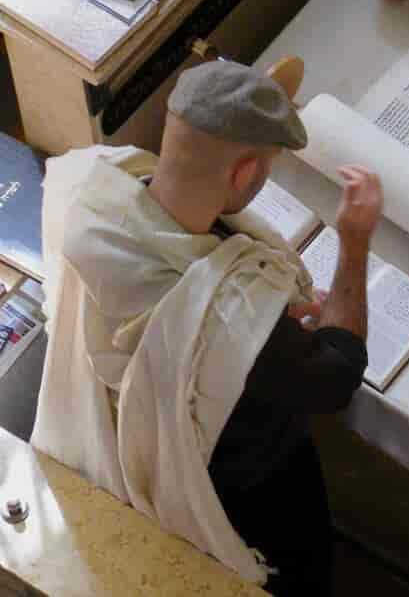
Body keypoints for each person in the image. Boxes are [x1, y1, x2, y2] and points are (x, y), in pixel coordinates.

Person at [32, 60, 382, 595]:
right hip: (243, 494)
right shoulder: (232, 323)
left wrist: (264, 322)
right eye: (264, 170)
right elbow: (336, 375)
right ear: (243, 174)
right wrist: (354, 242)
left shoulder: (91, 189)